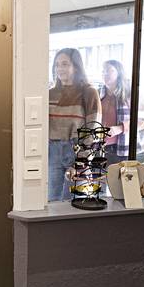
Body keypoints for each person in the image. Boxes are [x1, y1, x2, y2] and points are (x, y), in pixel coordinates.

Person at [48, 48, 101, 201]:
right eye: (57, 65)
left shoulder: (89, 92)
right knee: (52, 202)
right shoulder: (50, 94)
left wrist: (81, 161)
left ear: (76, 67)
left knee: (74, 203)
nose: (60, 68)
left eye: (65, 64)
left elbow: (93, 131)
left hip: (76, 150)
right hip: (53, 151)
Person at [99, 60, 131, 165]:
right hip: (99, 148)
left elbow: (143, 121)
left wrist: (120, 128)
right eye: (103, 71)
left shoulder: (129, 93)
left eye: (109, 70)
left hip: (121, 150)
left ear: (119, 73)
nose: (105, 73)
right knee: (100, 181)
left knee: (120, 180)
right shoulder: (98, 94)